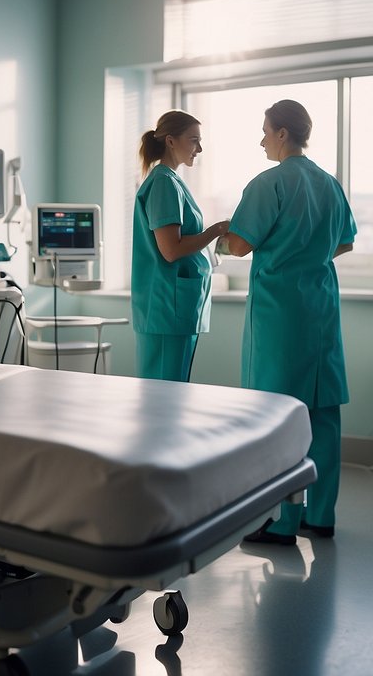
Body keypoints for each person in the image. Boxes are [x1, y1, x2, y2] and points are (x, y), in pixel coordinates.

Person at [224, 99, 357, 545]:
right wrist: (307, 257)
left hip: (281, 317)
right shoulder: (330, 184)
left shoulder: (269, 184)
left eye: (265, 130)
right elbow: (344, 244)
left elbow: (240, 246)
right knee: (323, 414)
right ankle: (321, 516)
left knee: (276, 418)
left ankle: (281, 522)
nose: (262, 139)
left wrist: (218, 236)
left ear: (283, 133)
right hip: (320, 310)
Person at [132, 110, 230, 381]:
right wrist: (216, 230)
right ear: (171, 141)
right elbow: (171, 250)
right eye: (194, 140)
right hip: (167, 306)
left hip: (174, 307)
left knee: (172, 392)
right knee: (164, 396)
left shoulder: (171, 181)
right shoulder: (163, 183)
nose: (199, 148)